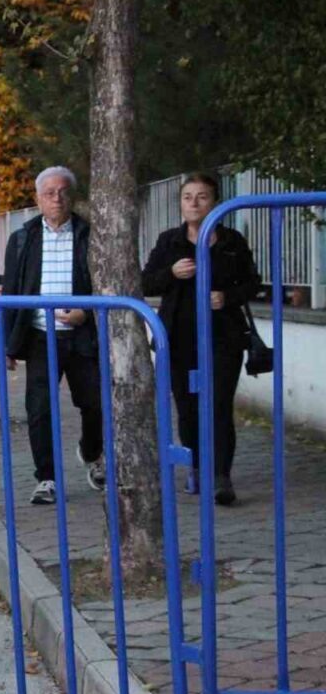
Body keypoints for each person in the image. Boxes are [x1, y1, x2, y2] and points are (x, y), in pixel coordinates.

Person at [142, 173, 259, 506]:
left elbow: (253, 283)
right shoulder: (169, 241)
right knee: (188, 407)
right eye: (187, 197)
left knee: (219, 404)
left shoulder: (231, 241)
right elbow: (146, 282)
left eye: (202, 196)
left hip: (224, 337)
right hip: (179, 339)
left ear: (215, 202)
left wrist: (227, 297)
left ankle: (221, 475)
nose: (194, 203)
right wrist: (171, 273)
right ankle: (195, 466)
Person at [2, 166, 106, 506]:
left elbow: (102, 283)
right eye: (49, 193)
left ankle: (91, 452)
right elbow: (11, 291)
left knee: (95, 402)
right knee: (39, 409)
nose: (56, 198)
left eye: (62, 192)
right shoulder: (23, 238)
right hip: (39, 336)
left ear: (71, 197)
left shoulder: (89, 234)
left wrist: (85, 312)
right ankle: (46, 478)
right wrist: (7, 344)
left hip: (82, 335)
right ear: (38, 199)